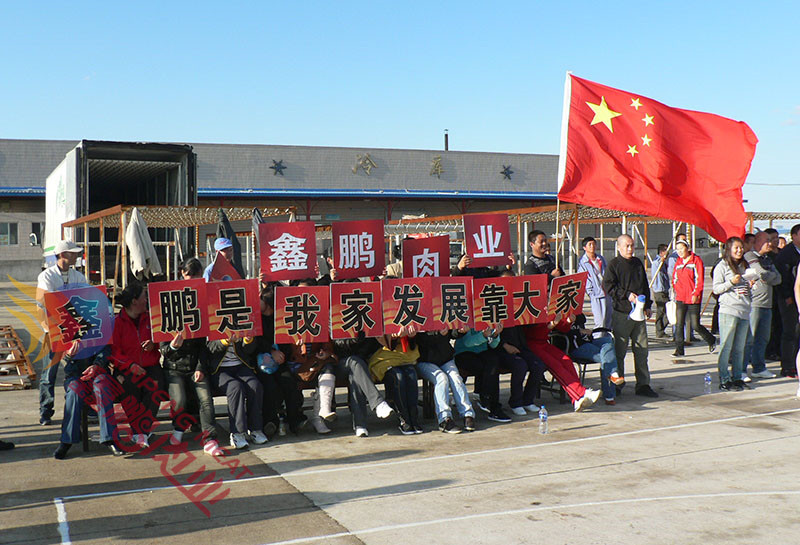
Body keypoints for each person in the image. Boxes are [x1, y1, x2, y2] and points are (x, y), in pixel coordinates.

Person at [160, 258, 222, 456]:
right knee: (178, 399)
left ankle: (210, 439)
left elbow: (205, 344)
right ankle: (178, 428)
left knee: (205, 398)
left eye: (197, 276)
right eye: (190, 276)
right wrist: (173, 346)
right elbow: (164, 350)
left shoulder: (204, 301)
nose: (194, 280)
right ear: (182, 274)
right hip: (174, 367)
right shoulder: (169, 300)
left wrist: (200, 367)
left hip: (196, 364)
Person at [36, 240, 87, 426]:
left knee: (79, 370)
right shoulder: (46, 276)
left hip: (74, 331)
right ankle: (45, 411)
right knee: (48, 375)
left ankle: (80, 407)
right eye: (73, 253)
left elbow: (85, 298)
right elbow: (47, 301)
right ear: (63, 255)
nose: (76, 256)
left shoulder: (78, 276)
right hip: (53, 331)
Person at [109, 282, 163, 448]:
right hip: (126, 368)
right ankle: (140, 432)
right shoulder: (117, 322)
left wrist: (154, 344)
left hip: (151, 365)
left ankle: (141, 432)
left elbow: (162, 339)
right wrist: (130, 365)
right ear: (134, 301)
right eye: (144, 297)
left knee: (156, 388)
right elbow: (113, 352)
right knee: (129, 387)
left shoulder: (151, 318)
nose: (146, 300)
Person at [603, 235, 658, 398]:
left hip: (639, 314)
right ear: (619, 247)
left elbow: (644, 285)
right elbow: (608, 286)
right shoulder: (614, 265)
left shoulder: (637, 263)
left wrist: (647, 305)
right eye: (626, 246)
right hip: (622, 313)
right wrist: (626, 295)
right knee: (619, 351)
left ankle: (643, 384)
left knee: (642, 350)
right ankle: (618, 383)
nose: (630, 249)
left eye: (632, 245)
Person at [53, 343, 124, 459]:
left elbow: (106, 349)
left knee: (102, 388)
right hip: (76, 375)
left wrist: (96, 365)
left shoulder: (101, 331)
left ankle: (110, 438)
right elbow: (65, 362)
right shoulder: (68, 332)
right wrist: (69, 355)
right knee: (73, 391)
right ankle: (67, 440)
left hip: (99, 372)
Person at [205, 329, 267, 449]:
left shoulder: (242, 321)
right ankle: (237, 432)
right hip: (219, 370)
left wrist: (248, 340)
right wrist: (225, 341)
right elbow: (210, 348)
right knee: (235, 387)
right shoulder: (213, 322)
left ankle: (255, 429)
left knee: (255, 386)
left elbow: (249, 350)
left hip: (241, 366)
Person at [523, 316, 601, 411]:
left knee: (566, 361)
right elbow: (531, 333)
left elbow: (563, 329)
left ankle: (576, 398)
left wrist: (568, 321)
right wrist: (551, 325)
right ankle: (580, 393)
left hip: (543, 343)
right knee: (556, 365)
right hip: (530, 344)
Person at [416, 329, 477, 433]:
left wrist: (460, 331)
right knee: (441, 378)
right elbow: (419, 340)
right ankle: (444, 418)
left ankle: (468, 414)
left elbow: (452, 333)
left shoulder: (442, 317)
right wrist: (438, 334)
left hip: (445, 358)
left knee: (456, 378)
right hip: (424, 360)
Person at [712, 237, 752, 391]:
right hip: (729, 310)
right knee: (726, 346)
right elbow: (716, 289)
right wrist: (731, 282)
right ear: (728, 249)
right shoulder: (722, 266)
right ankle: (724, 378)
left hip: (744, 310)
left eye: (741, 247)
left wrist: (751, 284)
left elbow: (746, 288)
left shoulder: (744, 265)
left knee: (739, 348)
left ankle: (737, 377)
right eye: (736, 248)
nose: (739, 250)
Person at [367, 326, 423, 434]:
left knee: (411, 374)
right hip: (383, 359)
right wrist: (391, 338)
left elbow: (417, 344)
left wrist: (411, 336)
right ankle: (404, 418)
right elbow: (371, 344)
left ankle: (414, 418)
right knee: (398, 377)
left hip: (406, 356)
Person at [560, 314, 623, 405]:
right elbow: (561, 332)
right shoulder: (558, 314)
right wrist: (577, 329)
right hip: (575, 346)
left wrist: (575, 317)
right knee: (606, 357)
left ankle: (611, 375)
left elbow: (582, 318)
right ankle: (610, 392)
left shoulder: (575, 310)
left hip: (587, 340)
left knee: (607, 341)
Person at [743, 231, 781, 380]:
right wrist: (769, 276)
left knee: (763, 338)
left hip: (767, 304)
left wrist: (769, 276)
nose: (770, 243)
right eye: (767, 240)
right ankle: (741, 369)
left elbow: (778, 278)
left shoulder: (767, 259)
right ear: (758, 242)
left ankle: (759, 367)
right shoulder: (750, 256)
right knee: (749, 339)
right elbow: (761, 274)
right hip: (754, 303)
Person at [454, 327, 512, 423]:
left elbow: (494, 345)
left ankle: (491, 403)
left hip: (482, 352)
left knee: (493, 361)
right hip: (463, 353)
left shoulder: (487, 319)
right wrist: (483, 336)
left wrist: (495, 335)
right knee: (483, 366)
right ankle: (487, 400)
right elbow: (467, 342)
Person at [671, 239, 716, 357]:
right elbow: (674, 278)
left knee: (695, 324)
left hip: (693, 298)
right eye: (677, 249)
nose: (680, 251)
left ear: (688, 248)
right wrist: (677, 290)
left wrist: (696, 293)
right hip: (681, 297)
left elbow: (699, 279)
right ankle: (679, 349)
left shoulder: (696, 261)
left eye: (682, 248)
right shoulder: (678, 262)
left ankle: (711, 339)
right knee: (679, 324)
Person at [773, 224, 800, 378]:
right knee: (791, 331)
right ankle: (788, 366)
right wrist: (787, 296)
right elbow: (783, 277)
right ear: (794, 236)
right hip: (789, 299)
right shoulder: (786, 254)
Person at [577, 236, 613, 330]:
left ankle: (608, 337)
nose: (592, 246)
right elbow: (583, 279)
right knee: (600, 321)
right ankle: (599, 337)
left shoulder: (600, 258)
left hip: (607, 292)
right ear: (584, 247)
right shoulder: (583, 262)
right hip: (596, 294)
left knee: (609, 320)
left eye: (594, 244)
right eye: (589, 244)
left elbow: (607, 272)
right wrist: (591, 293)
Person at [651, 244, 671, 339]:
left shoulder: (664, 262)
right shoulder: (656, 262)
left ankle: (661, 329)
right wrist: (661, 261)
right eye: (666, 251)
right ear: (661, 252)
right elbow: (657, 264)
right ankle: (659, 330)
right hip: (659, 290)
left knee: (667, 310)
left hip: (664, 289)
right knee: (662, 310)